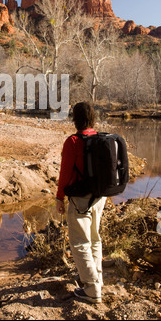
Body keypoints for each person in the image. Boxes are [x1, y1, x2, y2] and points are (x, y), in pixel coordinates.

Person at [56, 101, 106, 304]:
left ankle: (92, 289)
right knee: (95, 239)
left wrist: (59, 197)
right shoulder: (99, 138)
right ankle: (97, 280)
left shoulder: (73, 142)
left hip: (80, 199)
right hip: (99, 197)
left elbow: (65, 173)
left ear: (75, 119)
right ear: (93, 118)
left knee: (79, 242)